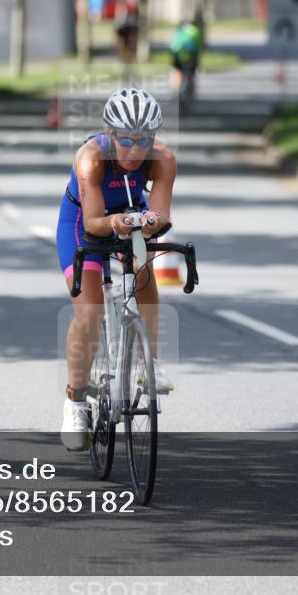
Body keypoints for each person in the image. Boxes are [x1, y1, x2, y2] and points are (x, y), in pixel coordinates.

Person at [56, 88, 177, 451]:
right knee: (90, 312)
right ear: (110, 134)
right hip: (82, 222)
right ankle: (75, 401)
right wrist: (120, 221)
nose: (136, 150)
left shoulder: (163, 159)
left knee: (144, 272)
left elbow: (161, 214)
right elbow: (94, 223)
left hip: (130, 213)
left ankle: (148, 363)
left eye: (145, 140)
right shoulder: (90, 158)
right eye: (126, 140)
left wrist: (151, 220)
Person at [169, 20, 202, 110]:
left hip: (177, 56)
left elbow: (173, 46)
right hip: (191, 58)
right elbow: (198, 47)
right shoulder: (195, 31)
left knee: (177, 73)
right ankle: (190, 99)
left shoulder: (179, 31)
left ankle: (176, 91)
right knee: (190, 77)